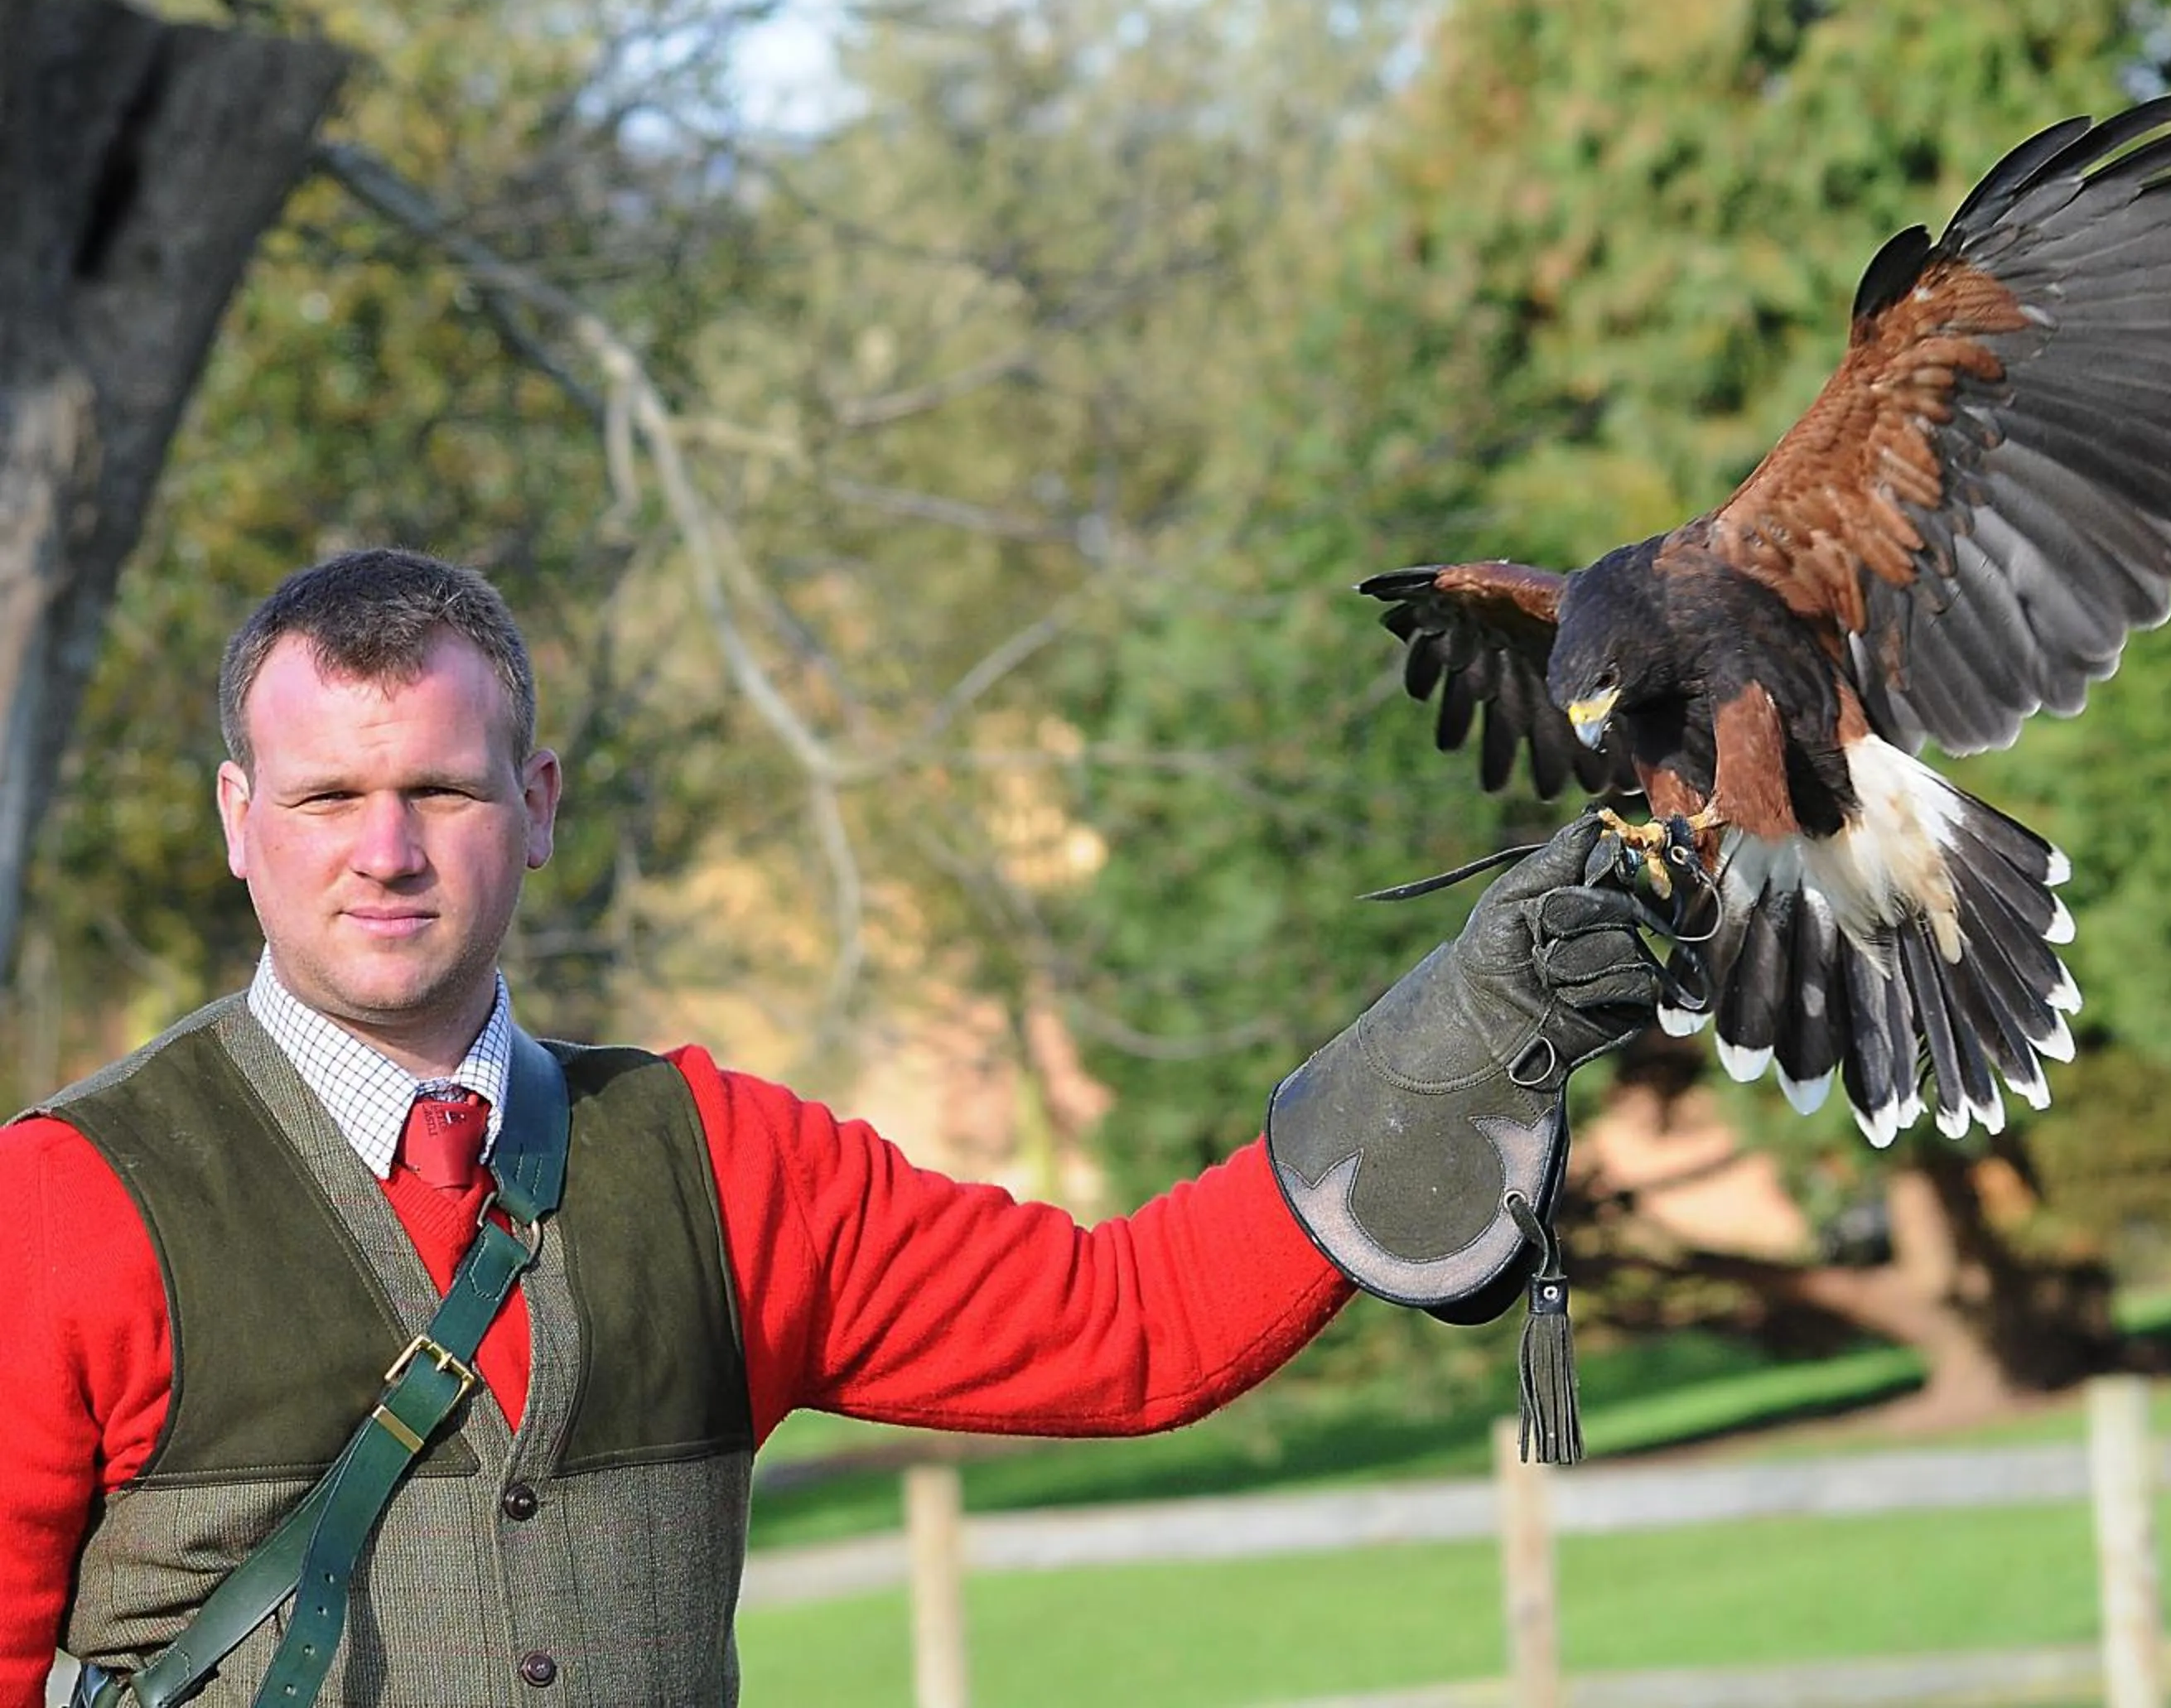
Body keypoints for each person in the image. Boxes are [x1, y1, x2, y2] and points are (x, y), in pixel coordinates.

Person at [0, 549, 1667, 1706]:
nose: (386, 850)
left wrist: (1462, 1030)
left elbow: (1132, 1326)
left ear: (538, 803)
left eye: (439, 789)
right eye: (323, 799)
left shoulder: (717, 1163)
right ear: (240, 819)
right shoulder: (63, 1206)